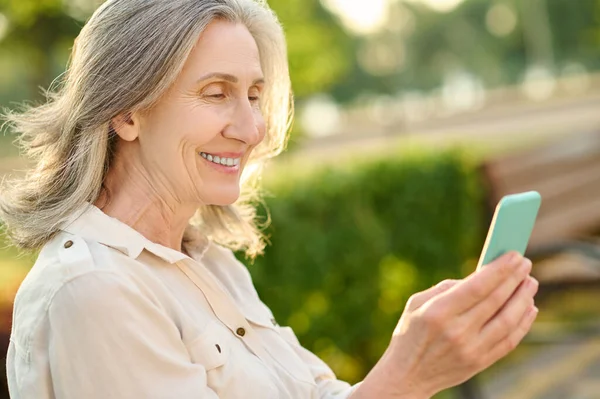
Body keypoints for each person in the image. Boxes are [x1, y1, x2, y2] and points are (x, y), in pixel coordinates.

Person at [0, 0, 539, 398]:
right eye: (217, 93)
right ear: (126, 112)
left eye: (255, 95)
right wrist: (407, 377)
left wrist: (418, 351)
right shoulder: (94, 292)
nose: (252, 127)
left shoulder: (208, 261)